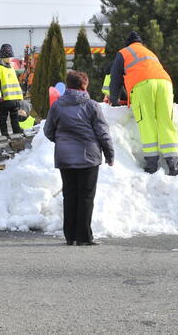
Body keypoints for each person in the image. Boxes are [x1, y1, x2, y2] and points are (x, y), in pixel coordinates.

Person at [44, 71, 114, 246]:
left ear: (67, 85)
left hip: (65, 158)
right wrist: (109, 154)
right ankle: (84, 237)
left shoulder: (58, 105)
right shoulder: (91, 106)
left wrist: (61, 142)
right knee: (86, 196)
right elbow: (103, 133)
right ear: (84, 85)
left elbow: (48, 130)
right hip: (88, 157)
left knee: (70, 195)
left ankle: (70, 236)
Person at [109, 31, 178, 175]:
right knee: (166, 120)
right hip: (165, 83)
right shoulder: (149, 52)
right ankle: (173, 164)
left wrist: (114, 100)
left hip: (143, 86)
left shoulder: (123, 53)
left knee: (147, 121)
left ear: (127, 43)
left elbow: (115, 79)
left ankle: (151, 164)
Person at [0, 43, 24, 137]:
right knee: (4, 117)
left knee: (12, 117)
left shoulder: (10, 67)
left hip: (12, 98)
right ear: (3, 56)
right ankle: (6, 134)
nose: (10, 59)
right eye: (8, 56)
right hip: (5, 98)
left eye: (10, 57)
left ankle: (14, 132)